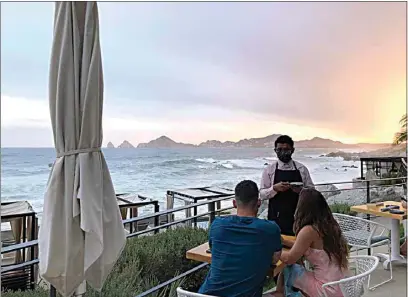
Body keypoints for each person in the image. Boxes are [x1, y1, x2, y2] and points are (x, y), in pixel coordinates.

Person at [199, 180, 282, 297]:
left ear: (234, 203)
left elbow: (214, 250)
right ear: (258, 203)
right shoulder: (270, 229)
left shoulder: (218, 225)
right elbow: (274, 260)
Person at [271, 188, 348, 297]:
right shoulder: (329, 225)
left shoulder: (309, 230)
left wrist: (272, 250)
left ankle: (280, 294)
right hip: (341, 284)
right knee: (293, 269)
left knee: (289, 268)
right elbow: (308, 248)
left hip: (326, 289)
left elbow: (289, 258)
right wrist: (285, 242)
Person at [259, 135, 314, 236]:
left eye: (286, 149)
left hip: (299, 216)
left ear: (292, 150)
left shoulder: (302, 169)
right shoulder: (269, 170)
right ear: (275, 150)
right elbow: (262, 194)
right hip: (276, 218)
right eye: (279, 149)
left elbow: (312, 192)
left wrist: (301, 191)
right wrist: (274, 189)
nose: (283, 152)